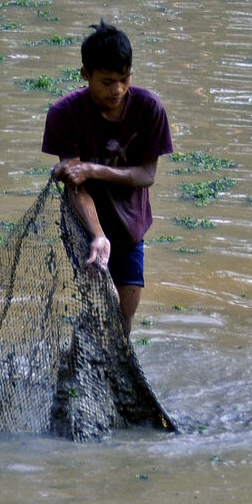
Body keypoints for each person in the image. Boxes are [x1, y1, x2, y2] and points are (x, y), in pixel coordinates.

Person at [42, 22, 173, 331]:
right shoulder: (64, 114)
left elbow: (146, 175)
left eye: (125, 79)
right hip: (82, 227)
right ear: (85, 74)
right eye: (107, 81)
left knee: (122, 319)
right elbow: (76, 186)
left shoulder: (149, 108)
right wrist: (98, 236)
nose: (117, 90)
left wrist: (92, 169)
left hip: (130, 228)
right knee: (92, 314)